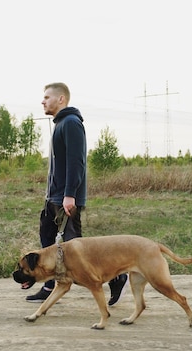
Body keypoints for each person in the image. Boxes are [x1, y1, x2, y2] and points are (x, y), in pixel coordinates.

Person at [26, 82, 127, 306]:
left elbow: (76, 162)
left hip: (65, 198)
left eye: (47, 97)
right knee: (47, 241)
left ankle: (117, 277)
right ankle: (49, 285)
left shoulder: (71, 123)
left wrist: (70, 194)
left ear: (61, 99)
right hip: (53, 197)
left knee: (76, 248)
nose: (43, 101)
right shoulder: (60, 124)